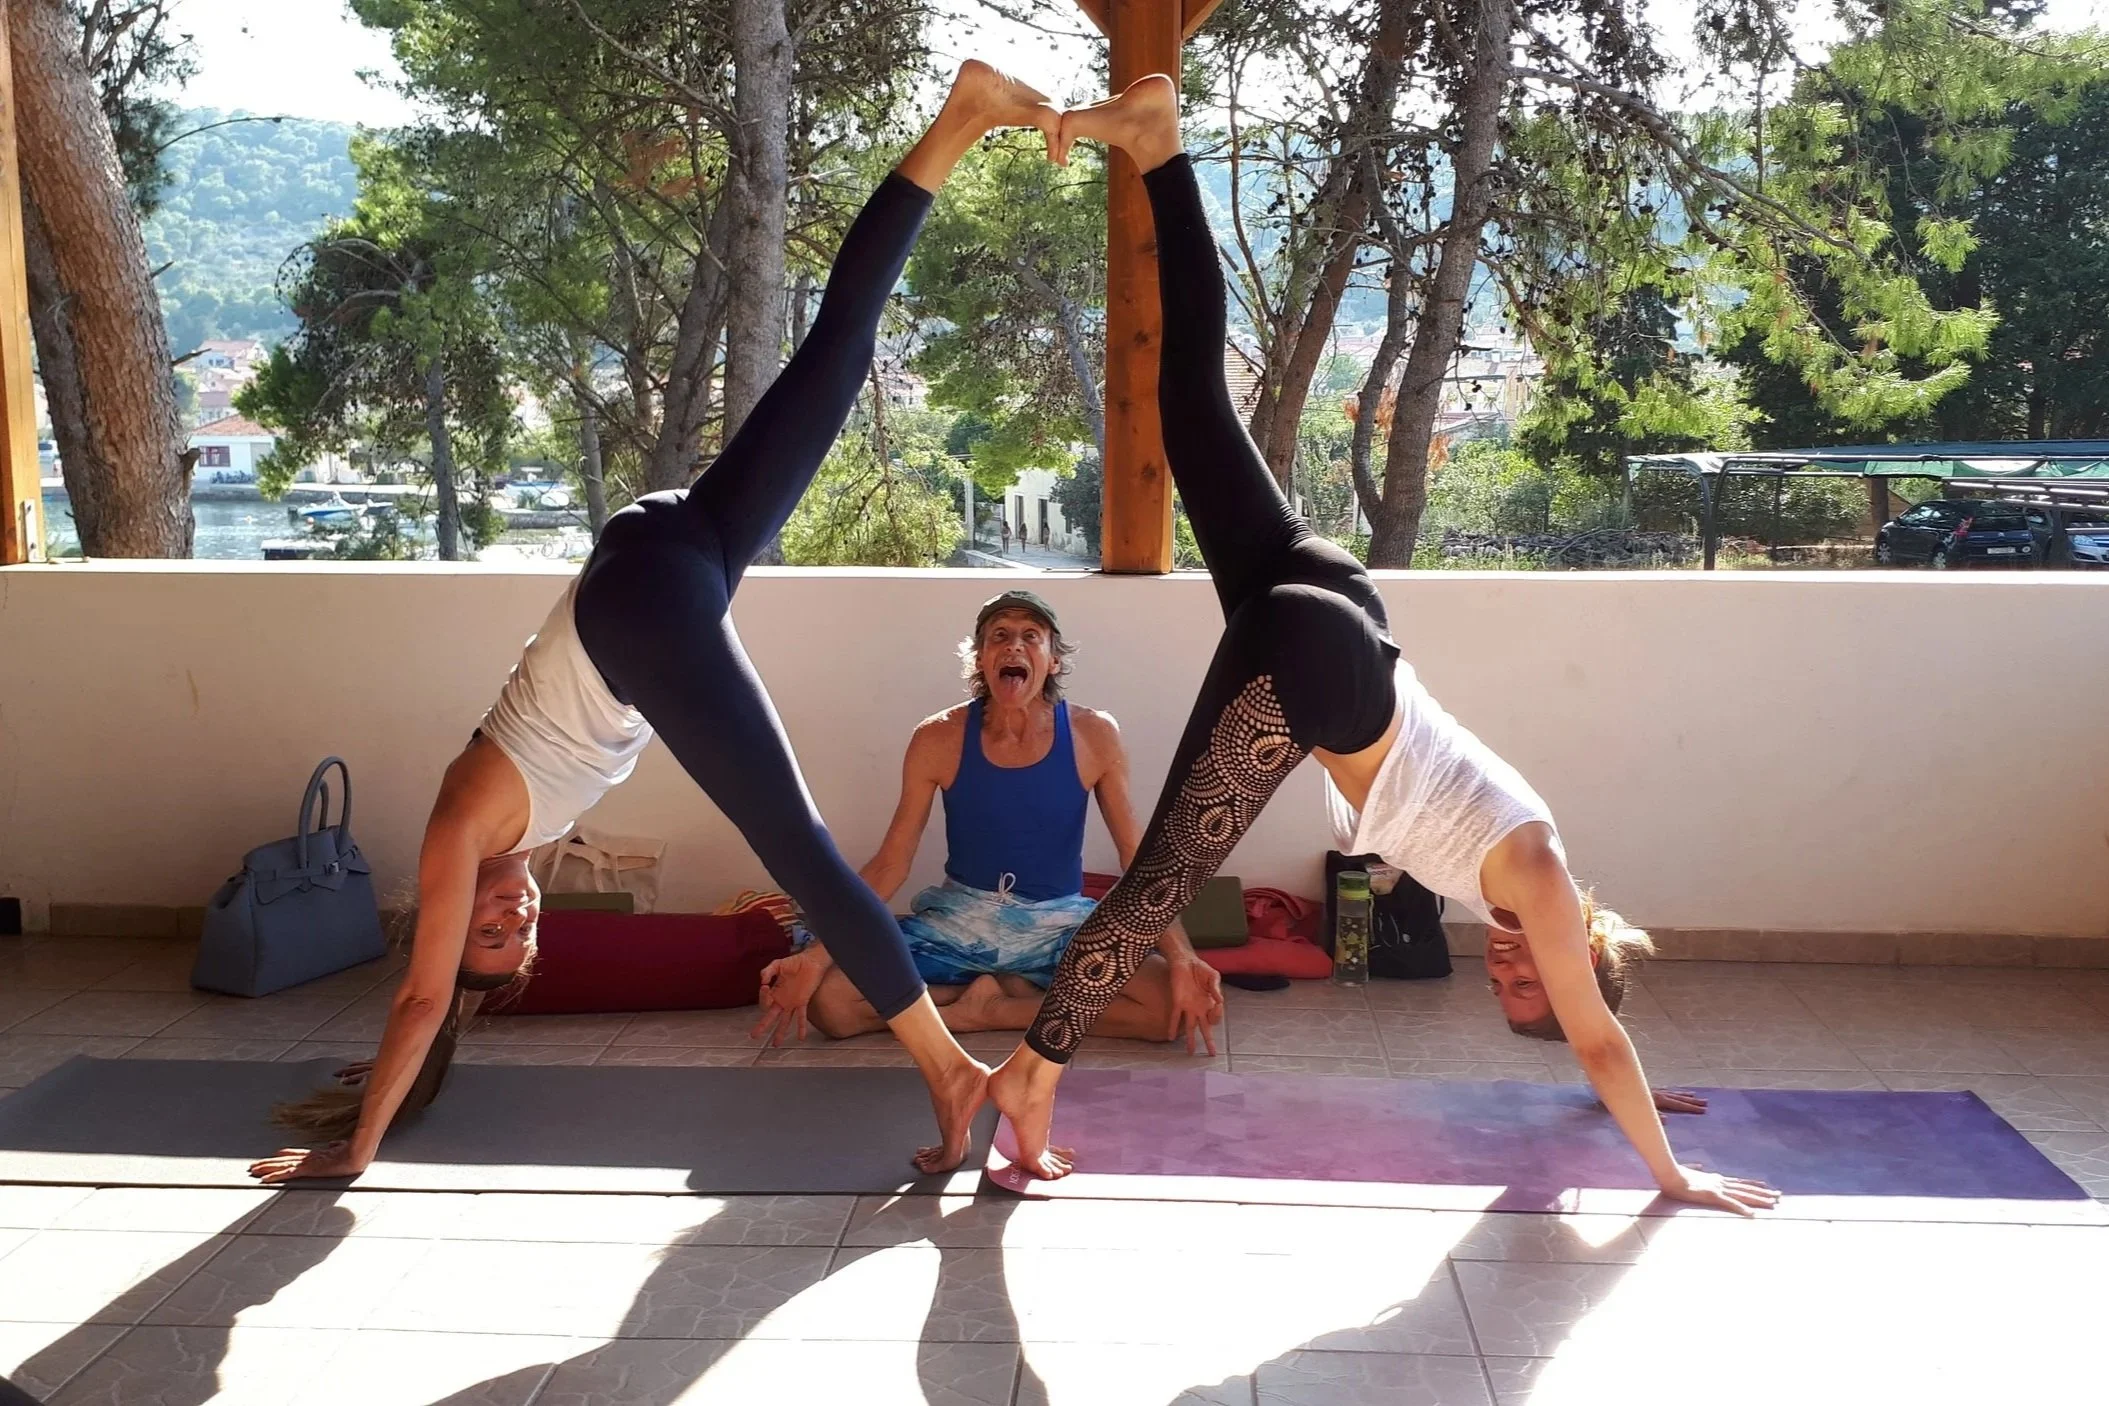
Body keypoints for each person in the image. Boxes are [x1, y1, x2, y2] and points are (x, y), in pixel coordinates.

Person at [247, 62, 1064, 1187]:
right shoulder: (518, 842)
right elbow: (438, 1005)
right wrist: (399, 1072)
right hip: (668, 555)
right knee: (837, 355)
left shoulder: (453, 838)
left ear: (444, 914)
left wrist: (358, 1145)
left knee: (802, 851)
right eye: (520, 934)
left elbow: (423, 998)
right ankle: (960, 119)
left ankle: (951, 1072)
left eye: (486, 927)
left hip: (640, 607)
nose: (510, 912)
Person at [985, 76, 1778, 1217]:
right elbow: (1600, 1036)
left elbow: (1593, 1046)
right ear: (1580, 959)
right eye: (1530, 983)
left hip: (1340, 615)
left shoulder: (1520, 895)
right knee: (1158, 885)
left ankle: (1159, 148)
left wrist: (1623, 1093)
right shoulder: (1543, 883)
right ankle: (1030, 1079)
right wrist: (1670, 1173)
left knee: (1188, 402)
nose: (1502, 970)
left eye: (1505, 991)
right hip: (1317, 661)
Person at [750, 590, 1223, 1049]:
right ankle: (1010, 994)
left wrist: (1182, 957)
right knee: (830, 1004)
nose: (1014, 645)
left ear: (1054, 660)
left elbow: (1137, 859)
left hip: (1059, 925)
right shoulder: (937, 737)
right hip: (958, 923)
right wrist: (817, 957)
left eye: (1031, 636)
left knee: (1171, 1009)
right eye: (999, 635)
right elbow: (891, 864)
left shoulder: (1094, 733)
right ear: (980, 659)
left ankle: (991, 1009)